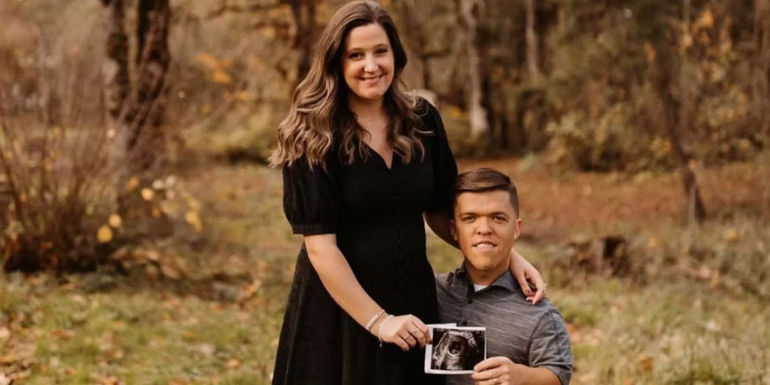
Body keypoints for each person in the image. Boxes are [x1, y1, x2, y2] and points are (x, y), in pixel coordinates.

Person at [268, 2, 546, 384]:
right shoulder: (312, 135)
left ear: (396, 55)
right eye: (356, 55)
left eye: (380, 51)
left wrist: (510, 257)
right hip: (341, 309)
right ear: (336, 62)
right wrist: (379, 321)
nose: (371, 65)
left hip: (412, 299)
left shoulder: (422, 120)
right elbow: (320, 248)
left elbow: (442, 211)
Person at [436, 168, 573, 385]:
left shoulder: (539, 314)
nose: (484, 229)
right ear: (454, 229)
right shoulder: (431, 292)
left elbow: (559, 373)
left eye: (498, 218)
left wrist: (522, 376)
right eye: (470, 218)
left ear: (516, 228)